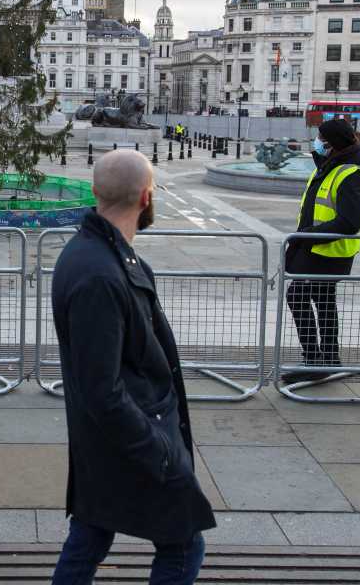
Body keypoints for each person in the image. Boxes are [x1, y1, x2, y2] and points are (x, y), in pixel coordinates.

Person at [49, 149, 214, 584]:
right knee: (183, 542)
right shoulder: (99, 273)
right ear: (146, 196)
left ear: (94, 192)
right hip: (133, 436)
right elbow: (100, 389)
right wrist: (158, 451)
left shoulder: (102, 255)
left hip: (115, 435)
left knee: (91, 535)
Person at [282, 118, 360, 384]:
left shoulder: (351, 174)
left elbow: (349, 222)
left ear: (332, 144)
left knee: (298, 297)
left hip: (328, 252)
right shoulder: (330, 166)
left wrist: (307, 235)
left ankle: (315, 359)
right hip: (315, 248)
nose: (317, 142)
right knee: (322, 301)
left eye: (321, 138)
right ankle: (328, 358)